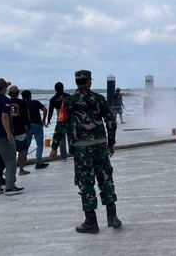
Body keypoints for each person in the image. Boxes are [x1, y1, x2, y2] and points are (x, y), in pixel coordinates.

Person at [50, 70, 122, 233]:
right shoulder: (99, 99)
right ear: (89, 82)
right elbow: (111, 120)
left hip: (81, 148)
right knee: (105, 178)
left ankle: (91, 222)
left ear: (77, 82)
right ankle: (112, 216)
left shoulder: (68, 101)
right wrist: (111, 142)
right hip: (100, 145)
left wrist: (54, 147)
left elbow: (60, 124)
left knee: (85, 181)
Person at [21, 89, 49, 169]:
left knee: (26, 145)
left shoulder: (21, 104)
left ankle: (22, 162)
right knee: (39, 144)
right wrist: (44, 120)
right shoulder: (35, 102)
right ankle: (38, 163)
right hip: (37, 125)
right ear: (30, 96)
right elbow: (45, 109)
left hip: (26, 126)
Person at [8, 85, 31, 175]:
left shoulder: (6, 102)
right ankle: (21, 169)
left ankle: (11, 171)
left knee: (11, 152)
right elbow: (26, 116)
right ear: (16, 93)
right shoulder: (21, 102)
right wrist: (28, 127)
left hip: (10, 130)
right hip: (20, 129)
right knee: (21, 150)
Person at [47, 82, 71, 161]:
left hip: (60, 119)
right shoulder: (68, 96)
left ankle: (63, 157)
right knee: (71, 136)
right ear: (63, 87)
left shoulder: (53, 99)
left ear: (55, 89)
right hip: (70, 119)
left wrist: (48, 120)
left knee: (61, 138)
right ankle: (73, 153)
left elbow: (50, 111)